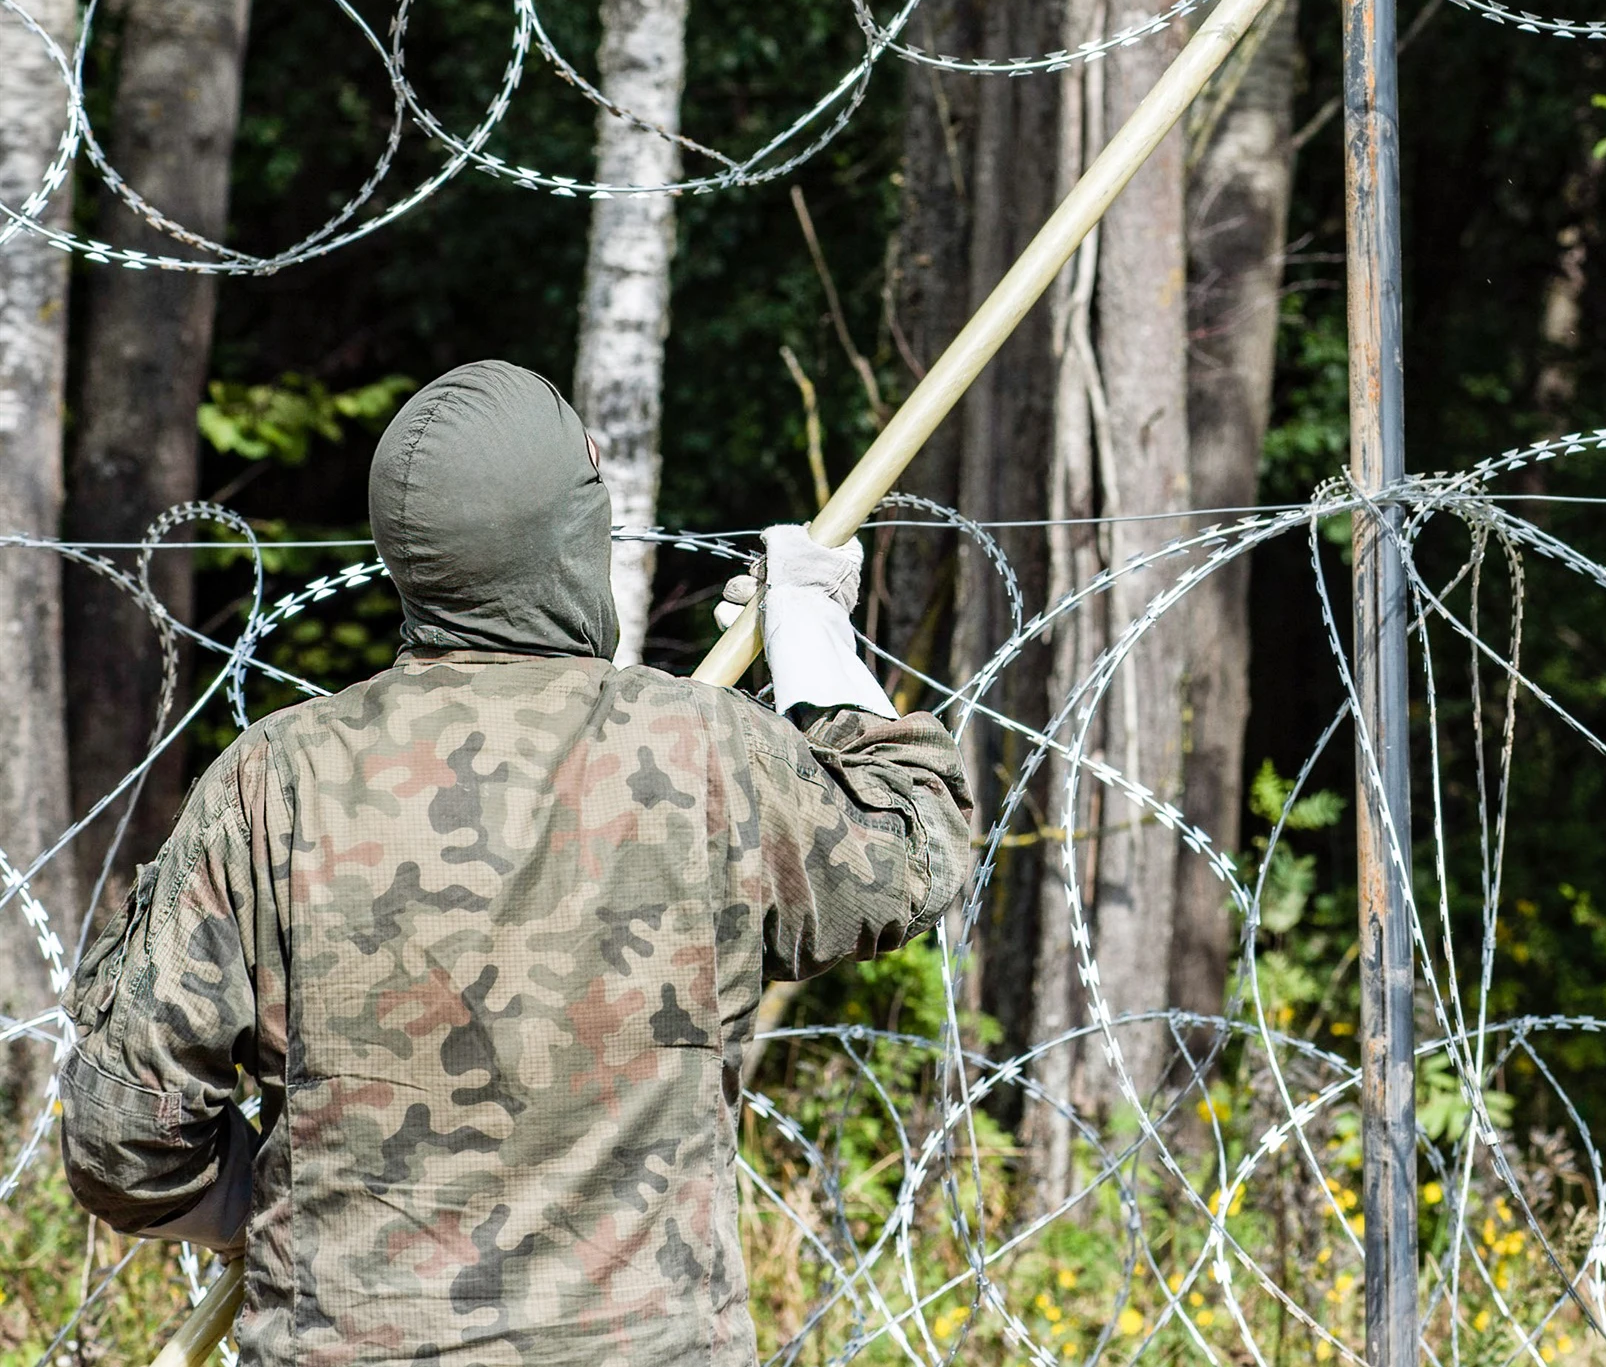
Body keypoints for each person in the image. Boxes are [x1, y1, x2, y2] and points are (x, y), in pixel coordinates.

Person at [61, 359, 979, 1367]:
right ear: (568, 538)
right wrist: (818, 654)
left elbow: (122, 1136)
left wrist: (271, 1201)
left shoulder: (275, 782)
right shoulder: (694, 749)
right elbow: (914, 845)